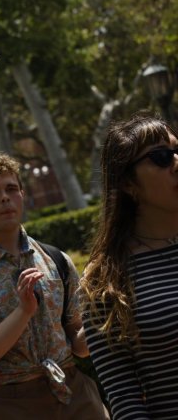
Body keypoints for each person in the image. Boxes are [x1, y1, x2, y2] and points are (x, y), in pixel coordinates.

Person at [0, 153, 107, 419]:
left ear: (22, 195)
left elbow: (79, 346)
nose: (4, 197)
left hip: (75, 393)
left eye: (11, 189)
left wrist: (102, 310)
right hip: (12, 402)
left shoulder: (56, 259)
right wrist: (23, 313)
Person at [81, 114, 178, 419]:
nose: (176, 161)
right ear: (127, 183)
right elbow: (123, 394)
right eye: (162, 157)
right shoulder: (106, 279)